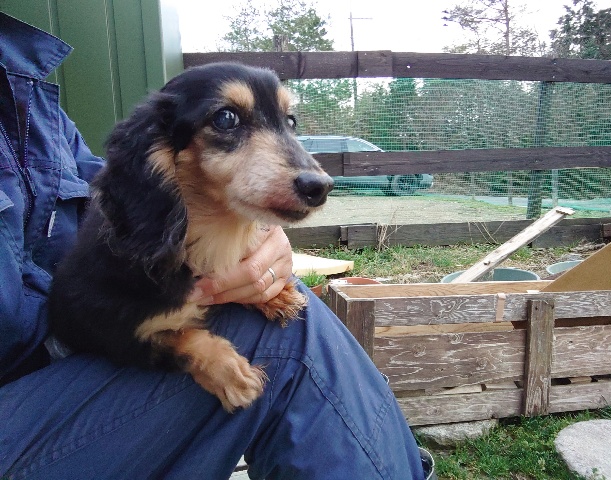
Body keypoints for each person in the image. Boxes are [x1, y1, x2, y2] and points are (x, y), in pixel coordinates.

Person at [0, 12, 435, 480]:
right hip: (28, 388)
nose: (310, 171)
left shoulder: (24, 91)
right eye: (227, 119)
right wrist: (186, 345)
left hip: (64, 364)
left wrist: (260, 242)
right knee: (287, 340)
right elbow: (130, 197)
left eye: (286, 120)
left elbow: (109, 198)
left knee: (287, 307)